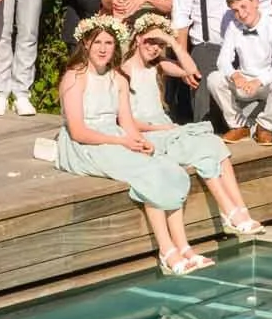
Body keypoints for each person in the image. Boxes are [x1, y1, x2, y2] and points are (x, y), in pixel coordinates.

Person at [54, 17, 215, 275]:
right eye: (98, 43)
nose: (104, 49)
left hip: (115, 135)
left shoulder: (118, 78)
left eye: (109, 42)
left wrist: (141, 143)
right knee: (147, 174)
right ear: (85, 43)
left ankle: (184, 246)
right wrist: (122, 141)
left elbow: (128, 123)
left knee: (166, 166)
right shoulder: (75, 77)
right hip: (85, 144)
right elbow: (78, 131)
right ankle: (167, 249)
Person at [125, 14, 266, 235]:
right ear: (137, 39)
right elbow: (125, 121)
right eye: (150, 42)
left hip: (167, 128)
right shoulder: (123, 71)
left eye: (159, 45)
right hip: (148, 132)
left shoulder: (158, 65)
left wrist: (172, 42)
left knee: (215, 144)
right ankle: (228, 210)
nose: (154, 49)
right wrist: (161, 129)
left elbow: (192, 71)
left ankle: (240, 210)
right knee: (201, 150)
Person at [207, 0, 272, 142]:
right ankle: (238, 125)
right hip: (243, 82)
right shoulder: (234, 27)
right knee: (214, 78)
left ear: (255, 2)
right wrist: (235, 75)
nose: (241, 13)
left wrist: (259, 81)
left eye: (243, 6)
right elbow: (223, 60)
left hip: (264, 82)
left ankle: (265, 126)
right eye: (236, 10)